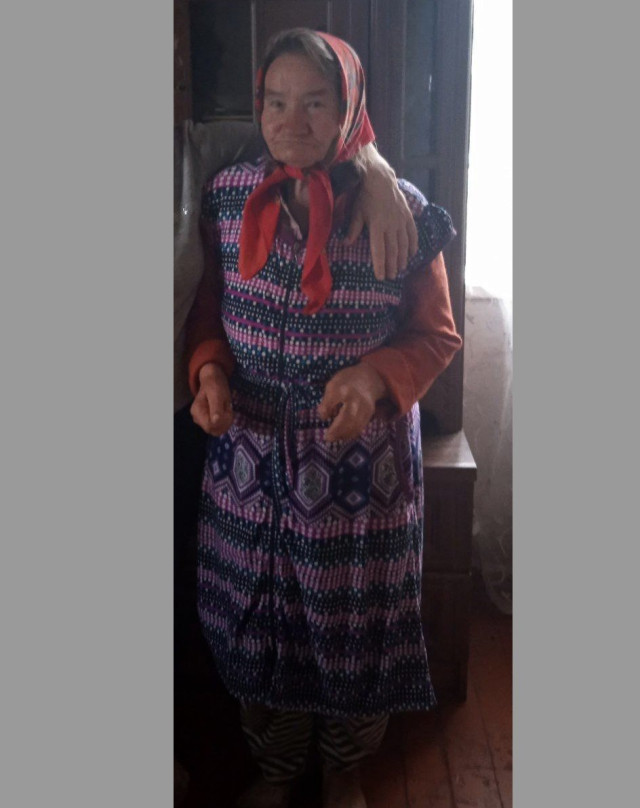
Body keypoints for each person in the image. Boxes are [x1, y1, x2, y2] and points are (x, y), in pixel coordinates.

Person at [185, 28, 462, 808]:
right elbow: (207, 310)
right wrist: (209, 369)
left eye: (314, 103)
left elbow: (436, 333)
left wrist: (374, 378)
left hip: (359, 473)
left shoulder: (401, 212)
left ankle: (344, 768)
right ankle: (276, 768)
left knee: (352, 627)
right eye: (275, 102)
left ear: (350, 110)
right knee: (255, 620)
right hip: (247, 465)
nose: (289, 122)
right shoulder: (228, 196)